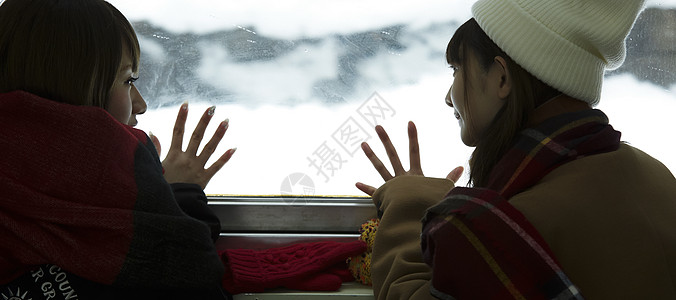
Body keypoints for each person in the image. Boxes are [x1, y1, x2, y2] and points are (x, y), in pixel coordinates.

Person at [356, 0, 676, 299]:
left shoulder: (504, 229)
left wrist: (410, 205)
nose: (448, 97)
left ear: (501, 77)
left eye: (456, 70)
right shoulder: (659, 176)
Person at [0, 0, 235, 298]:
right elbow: (190, 278)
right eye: (127, 80)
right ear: (74, 89)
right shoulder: (121, 189)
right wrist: (177, 200)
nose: (141, 105)